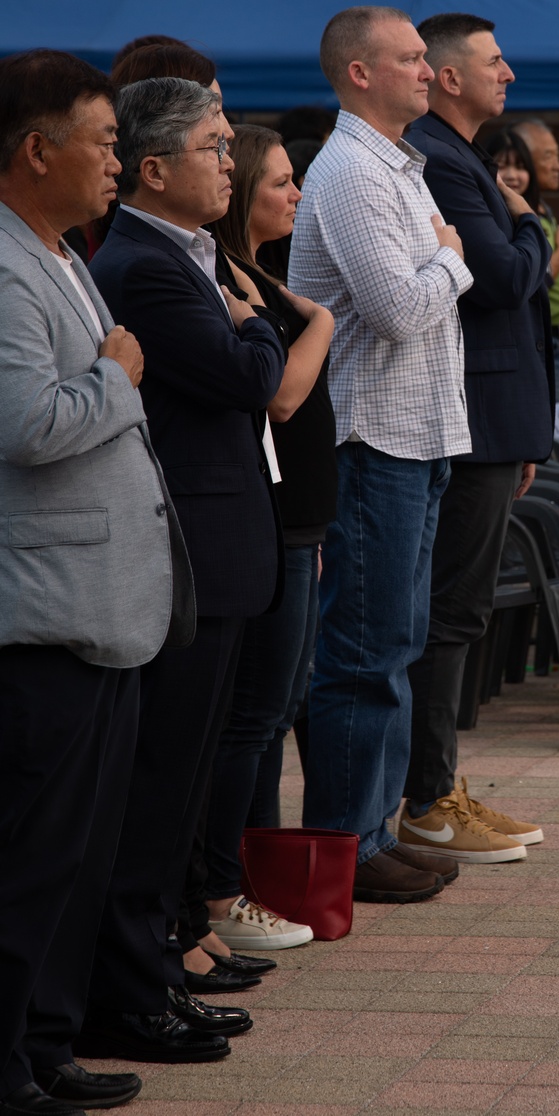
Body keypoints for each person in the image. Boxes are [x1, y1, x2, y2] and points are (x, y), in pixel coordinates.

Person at [0, 50, 193, 1116]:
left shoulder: (61, 250)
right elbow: (28, 425)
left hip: (106, 608)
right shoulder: (6, 265)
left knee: (76, 861)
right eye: (104, 141)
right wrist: (116, 381)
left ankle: (47, 1042)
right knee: (31, 863)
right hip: (44, 619)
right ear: (36, 152)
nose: (121, 161)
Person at [83, 77, 286, 1063]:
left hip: (219, 541)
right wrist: (256, 321)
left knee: (190, 772)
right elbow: (253, 379)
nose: (228, 161)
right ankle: (132, 980)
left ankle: (160, 957)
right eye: (212, 145)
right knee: (161, 779)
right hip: (186, 547)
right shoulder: (149, 266)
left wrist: (245, 313)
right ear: (152, 168)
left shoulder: (189, 257)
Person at [288, 6, 474, 906]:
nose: (426, 73)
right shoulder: (353, 170)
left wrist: (442, 260)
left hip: (417, 432)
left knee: (394, 643)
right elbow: (403, 308)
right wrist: (454, 264)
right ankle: (344, 845)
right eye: (408, 60)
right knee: (363, 652)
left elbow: (419, 290)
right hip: (372, 439)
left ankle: (377, 829)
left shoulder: (402, 164)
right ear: (359, 73)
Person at [397, 12, 551, 864]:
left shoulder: (455, 156)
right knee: (449, 612)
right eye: (495, 62)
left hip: (493, 413)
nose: (511, 74)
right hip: (469, 413)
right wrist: (531, 224)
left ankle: (438, 784)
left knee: (457, 609)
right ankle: (428, 795)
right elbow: (499, 280)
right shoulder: (440, 159)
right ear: (450, 77)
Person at [194, 125, 337, 957]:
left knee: (275, 708)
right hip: (271, 519)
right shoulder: (227, 277)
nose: (296, 194)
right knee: (251, 717)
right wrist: (316, 320)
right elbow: (280, 397)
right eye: (282, 182)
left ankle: (249, 875)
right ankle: (223, 889)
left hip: (299, 518)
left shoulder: (261, 274)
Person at [513, 121, 559, 405]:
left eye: (557, 155)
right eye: (548, 156)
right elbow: (529, 277)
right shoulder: (519, 215)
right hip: (547, 339)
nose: (558, 165)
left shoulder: (545, 210)